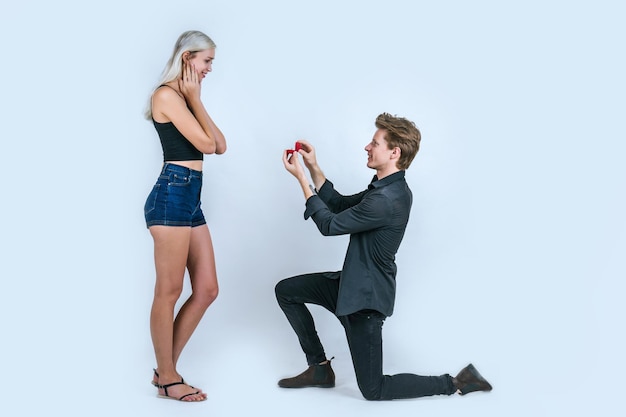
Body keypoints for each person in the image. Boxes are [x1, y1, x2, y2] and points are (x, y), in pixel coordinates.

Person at [276, 113, 492, 401]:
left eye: (374, 143)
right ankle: (319, 369)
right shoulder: (385, 189)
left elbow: (328, 225)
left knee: (373, 389)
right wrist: (313, 166)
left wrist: (301, 178)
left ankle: (456, 382)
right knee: (286, 291)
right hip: (348, 287)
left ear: (394, 152)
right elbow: (339, 205)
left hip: (365, 301)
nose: (367, 147)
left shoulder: (385, 201)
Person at [143, 30, 227, 402]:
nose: (209, 68)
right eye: (206, 61)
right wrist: (192, 97)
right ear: (187, 57)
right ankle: (170, 376)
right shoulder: (166, 95)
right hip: (172, 193)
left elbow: (220, 145)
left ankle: (165, 372)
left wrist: (197, 99)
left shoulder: (187, 97)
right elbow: (206, 144)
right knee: (170, 290)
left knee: (207, 289)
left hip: (190, 196)